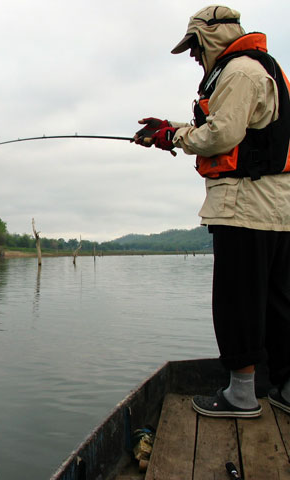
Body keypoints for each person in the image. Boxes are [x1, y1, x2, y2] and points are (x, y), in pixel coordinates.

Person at [133, 5, 290, 418]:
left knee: (238, 300)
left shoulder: (238, 71)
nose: (191, 55)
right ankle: (286, 387)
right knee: (277, 300)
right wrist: (171, 129)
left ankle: (241, 396)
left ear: (213, 35)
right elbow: (239, 129)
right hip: (277, 208)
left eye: (193, 45)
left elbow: (223, 133)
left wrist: (175, 135)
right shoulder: (262, 68)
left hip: (244, 207)